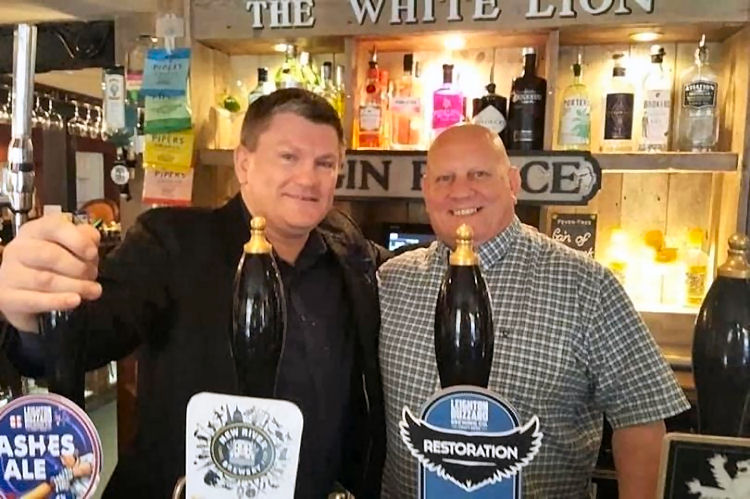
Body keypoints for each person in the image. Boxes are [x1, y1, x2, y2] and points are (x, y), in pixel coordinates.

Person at [0, 89, 386, 498]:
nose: (308, 178)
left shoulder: (350, 255)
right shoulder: (172, 243)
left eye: (325, 163)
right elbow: (87, 334)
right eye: (288, 157)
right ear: (244, 163)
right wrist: (33, 309)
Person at [377, 125, 690, 498]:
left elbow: (640, 419)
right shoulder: (391, 282)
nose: (460, 190)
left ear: (512, 183)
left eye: (479, 174)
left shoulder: (586, 285)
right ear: (426, 190)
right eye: (445, 178)